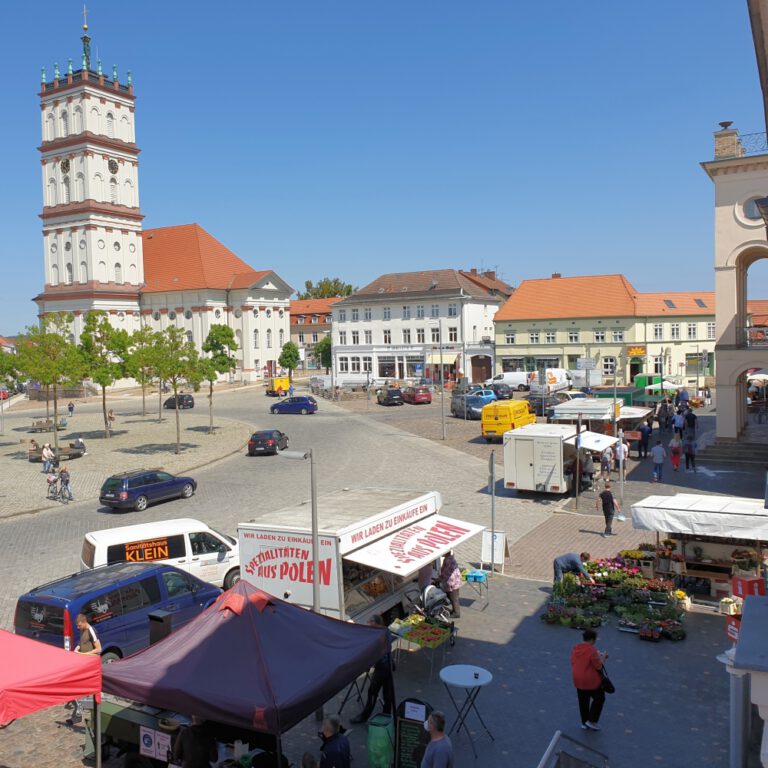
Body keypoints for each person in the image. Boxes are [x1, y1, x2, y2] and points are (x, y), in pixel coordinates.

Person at [351, 615, 394, 723]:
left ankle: (364, 716)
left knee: (372, 692)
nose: (368, 624)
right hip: (388, 664)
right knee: (387, 692)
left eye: (370, 622)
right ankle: (386, 714)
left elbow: (378, 651)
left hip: (382, 666)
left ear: (375, 622)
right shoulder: (385, 630)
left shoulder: (379, 633)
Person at [571, 628, 608, 732]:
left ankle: (584, 723)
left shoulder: (575, 648)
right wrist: (604, 657)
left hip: (577, 679)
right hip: (590, 680)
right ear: (592, 639)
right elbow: (598, 666)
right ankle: (591, 721)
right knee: (600, 698)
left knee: (583, 701)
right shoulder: (592, 650)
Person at [68, 614, 101, 724]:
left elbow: (98, 649)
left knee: (83, 690)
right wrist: (77, 648)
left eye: (79, 625)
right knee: (75, 688)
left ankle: (92, 718)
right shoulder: (82, 630)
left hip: (90, 665)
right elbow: (82, 642)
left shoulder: (91, 631)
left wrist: (85, 654)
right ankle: (78, 714)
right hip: (83, 663)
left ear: (84, 622)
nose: (78, 628)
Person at [440, 550, 462, 618]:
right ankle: (454, 611)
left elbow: (447, 573)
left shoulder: (447, 561)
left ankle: (456, 613)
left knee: (454, 598)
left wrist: (441, 579)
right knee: (454, 598)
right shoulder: (451, 558)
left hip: (452, 584)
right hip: (456, 582)